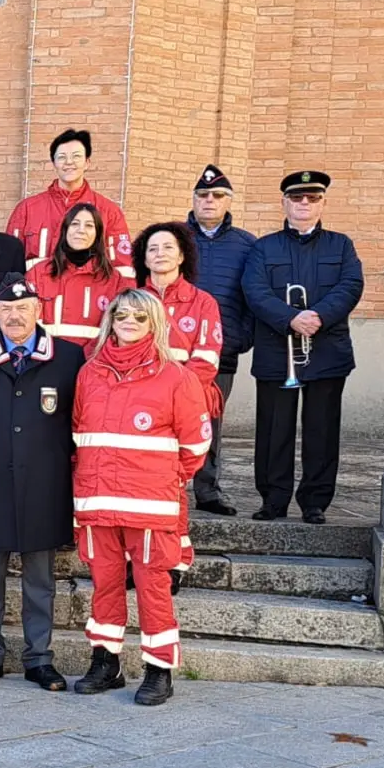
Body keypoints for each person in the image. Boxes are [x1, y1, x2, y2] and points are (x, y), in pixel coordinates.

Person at [71, 289, 212, 706]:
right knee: (105, 587)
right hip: (98, 503)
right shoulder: (90, 372)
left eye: (139, 316)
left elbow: (195, 448)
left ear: (155, 323)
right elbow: (79, 434)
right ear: (110, 320)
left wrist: (163, 481)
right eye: (121, 314)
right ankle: (105, 662)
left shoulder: (177, 376)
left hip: (151, 507)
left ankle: (158, 669)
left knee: (153, 590)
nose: (129, 322)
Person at [0, 279, 82, 692]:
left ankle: (39, 658)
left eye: (24, 308)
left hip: (45, 483)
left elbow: (77, 423)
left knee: (40, 580)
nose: (15, 316)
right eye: (7, 310)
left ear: (38, 311)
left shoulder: (68, 357)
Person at [242, 171, 363, 525]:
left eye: (312, 198)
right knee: (273, 430)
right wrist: (290, 318)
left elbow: (351, 285)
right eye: (297, 198)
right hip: (276, 350)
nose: (304, 204)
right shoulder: (264, 247)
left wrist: (318, 317)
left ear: (323, 202)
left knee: (322, 430)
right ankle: (273, 500)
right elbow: (255, 291)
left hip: (326, 350)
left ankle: (315, 501)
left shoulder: (341, 245)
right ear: (284, 202)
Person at [138, 220, 226, 575]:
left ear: (182, 255)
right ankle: (138, 558)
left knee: (172, 484)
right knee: (137, 485)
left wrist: (169, 396)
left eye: (168, 248)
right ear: (143, 258)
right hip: (137, 409)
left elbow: (206, 361)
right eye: (152, 248)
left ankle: (175, 560)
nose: (160, 254)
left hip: (181, 409)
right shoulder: (131, 299)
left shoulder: (202, 302)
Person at [186, 165, 254, 516]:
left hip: (220, 352)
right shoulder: (174, 237)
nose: (209, 201)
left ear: (228, 201)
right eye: (202, 195)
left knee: (210, 420)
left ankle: (208, 490)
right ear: (194, 200)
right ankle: (165, 485)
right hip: (173, 352)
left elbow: (253, 296)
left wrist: (240, 337)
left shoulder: (246, 244)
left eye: (217, 196)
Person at [6, 128, 134, 278]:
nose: (69, 162)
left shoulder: (109, 211)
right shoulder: (27, 209)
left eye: (76, 156)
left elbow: (123, 268)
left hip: (90, 296)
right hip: (37, 295)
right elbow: (9, 262)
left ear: (87, 163)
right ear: (53, 163)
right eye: (61, 157)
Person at [28, 203, 126, 350]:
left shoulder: (114, 279)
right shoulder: (38, 273)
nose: (81, 230)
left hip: (93, 363)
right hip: (45, 361)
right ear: (65, 230)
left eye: (89, 225)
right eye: (74, 224)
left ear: (98, 234)